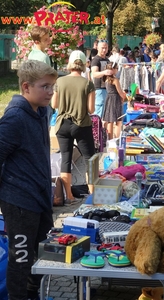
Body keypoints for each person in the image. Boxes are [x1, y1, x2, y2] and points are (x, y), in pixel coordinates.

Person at [0, 60, 58, 300]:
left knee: (44, 254)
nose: (51, 92)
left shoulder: (41, 110)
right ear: (26, 87)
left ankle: (33, 294)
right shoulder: (14, 118)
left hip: (40, 197)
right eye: (45, 87)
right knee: (20, 259)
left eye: (52, 86)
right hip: (19, 201)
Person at [51, 50, 95, 202]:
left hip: (62, 125)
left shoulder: (59, 82)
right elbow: (91, 109)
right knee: (90, 159)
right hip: (81, 124)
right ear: (84, 64)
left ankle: (68, 196)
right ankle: (92, 195)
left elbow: (54, 104)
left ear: (70, 63)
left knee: (66, 159)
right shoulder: (88, 84)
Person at [28, 25, 53, 124]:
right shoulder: (43, 57)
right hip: (43, 99)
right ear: (37, 41)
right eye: (45, 39)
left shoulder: (31, 54)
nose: (48, 41)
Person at [102, 62, 126, 140]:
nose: (117, 70)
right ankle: (116, 139)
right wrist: (124, 97)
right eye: (116, 69)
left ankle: (110, 139)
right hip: (115, 99)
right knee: (118, 121)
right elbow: (120, 92)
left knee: (110, 120)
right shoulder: (115, 80)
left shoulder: (106, 79)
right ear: (113, 70)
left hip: (109, 99)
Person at [91, 40, 113, 118]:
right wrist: (104, 72)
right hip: (99, 89)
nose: (104, 50)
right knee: (99, 112)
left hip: (107, 88)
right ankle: (96, 129)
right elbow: (94, 74)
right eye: (102, 48)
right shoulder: (96, 60)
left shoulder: (107, 60)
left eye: (106, 48)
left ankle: (101, 129)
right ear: (97, 48)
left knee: (105, 113)